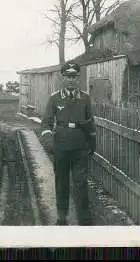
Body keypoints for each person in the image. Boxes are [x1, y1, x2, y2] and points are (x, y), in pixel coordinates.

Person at [40, 61, 97, 226]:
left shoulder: (85, 98)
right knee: (62, 183)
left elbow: (90, 123)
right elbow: (46, 123)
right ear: (63, 78)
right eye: (68, 76)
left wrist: (91, 144)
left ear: (77, 78)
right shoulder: (55, 98)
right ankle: (62, 217)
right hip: (61, 148)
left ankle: (84, 220)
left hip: (80, 147)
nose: (71, 80)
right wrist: (50, 143)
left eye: (74, 76)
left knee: (81, 183)